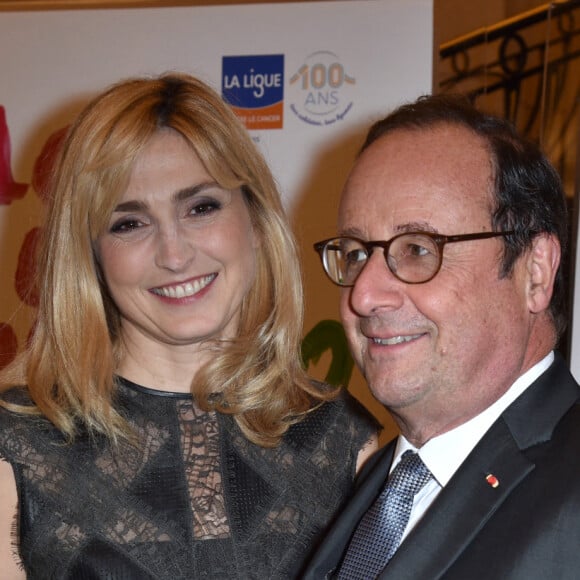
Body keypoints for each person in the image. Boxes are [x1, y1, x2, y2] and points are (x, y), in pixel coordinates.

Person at [0, 72, 378, 580]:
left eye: (201, 207)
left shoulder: (344, 441)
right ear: (89, 255)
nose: (174, 255)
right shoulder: (19, 447)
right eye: (129, 223)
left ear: (256, 220)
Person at [304, 93, 580, 579]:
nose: (364, 295)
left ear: (535, 272)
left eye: (416, 248)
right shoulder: (370, 487)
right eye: (353, 253)